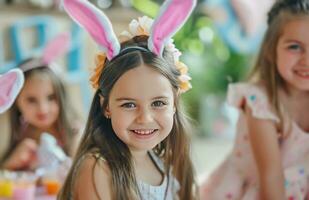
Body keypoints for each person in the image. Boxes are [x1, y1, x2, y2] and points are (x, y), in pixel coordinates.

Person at [58, 0, 198, 199]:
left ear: (174, 103)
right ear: (106, 106)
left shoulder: (166, 163)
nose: (145, 118)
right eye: (129, 104)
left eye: (158, 103)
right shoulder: (98, 168)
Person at [200, 0, 309, 199]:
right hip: (263, 189)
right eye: (294, 47)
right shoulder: (260, 102)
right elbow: (270, 176)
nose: (306, 60)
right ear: (270, 50)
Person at [0, 33, 82, 171]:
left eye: (51, 98)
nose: (43, 109)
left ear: (61, 98)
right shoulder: (17, 134)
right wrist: (11, 163)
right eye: (31, 100)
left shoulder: (75, 133)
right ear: (15, 101)